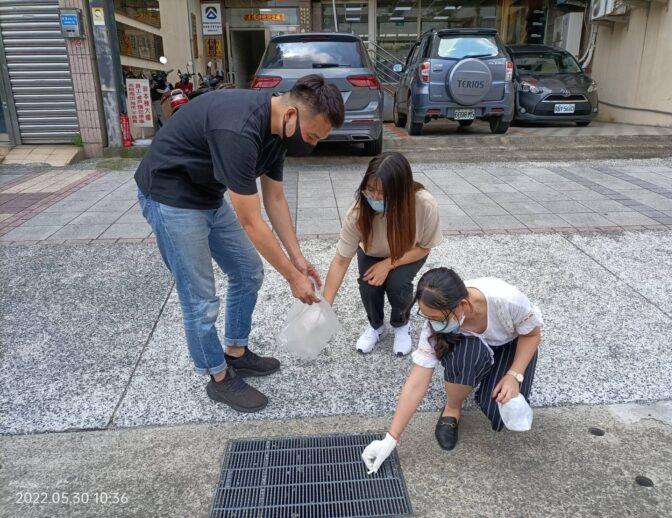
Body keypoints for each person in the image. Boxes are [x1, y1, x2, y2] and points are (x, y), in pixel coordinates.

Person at [135, 75, 345, 414]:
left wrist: (298, 258)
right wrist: (292, 277)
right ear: (291, 115)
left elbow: (274, 198)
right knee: (199, 297)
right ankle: (218, 377)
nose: (312, 145)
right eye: (311, 136)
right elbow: (251, 220)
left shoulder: (278, 132)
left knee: (247, 271)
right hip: (170, 195)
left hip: (206, 193)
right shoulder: (239, 130)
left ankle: (236, 351)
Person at [361, 268, 542, 473]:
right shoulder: (435, 324)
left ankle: (494, 375)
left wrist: (514, 375)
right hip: (472, 347)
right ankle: (452, 409)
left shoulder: (506, 299)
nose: (434, 324)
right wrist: (390, 439)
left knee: (499, 414)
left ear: (463, 305)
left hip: (512, 344)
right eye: (428, 316)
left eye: (438, 318)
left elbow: (532, 335)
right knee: (466, 357)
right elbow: (416, 383)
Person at [322, 152, 443, 356]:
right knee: (368, 285)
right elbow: (341, 260)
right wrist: (324, 307)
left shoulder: (424, 204)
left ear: (401, 190)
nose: (375, 198)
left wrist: (388, 264)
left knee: (398, 284)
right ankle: (376, 326)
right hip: (372, 251)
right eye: (370, 189)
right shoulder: (358, 212)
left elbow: (424, 247)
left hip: (409, 251)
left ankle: (401, 324)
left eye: (383, 192)